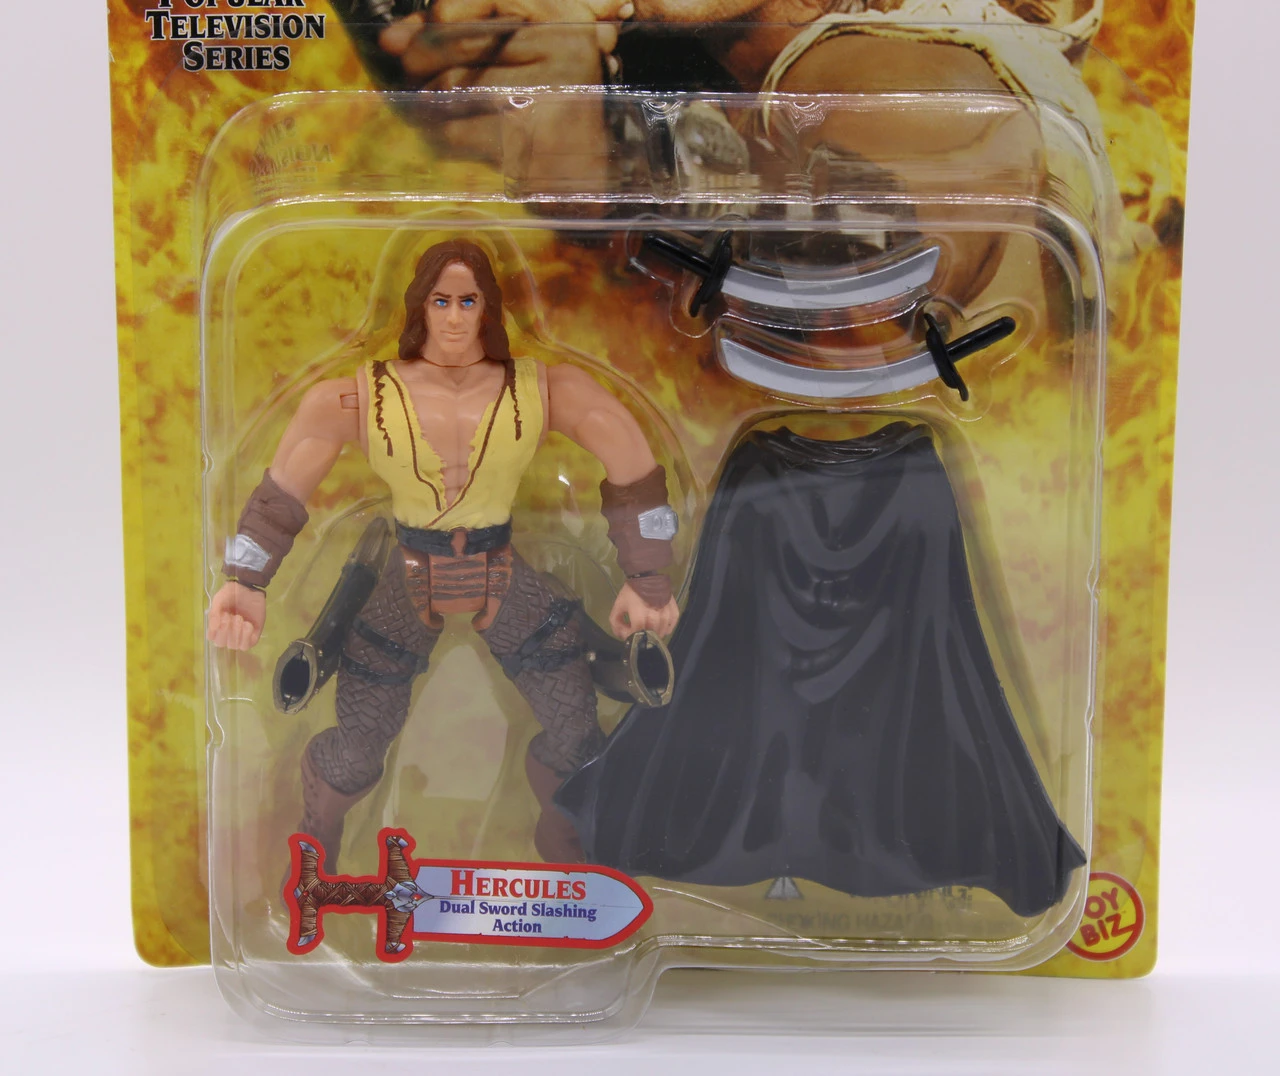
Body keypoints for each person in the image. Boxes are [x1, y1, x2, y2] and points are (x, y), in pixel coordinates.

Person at [208, 238, 680, 869]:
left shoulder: (541, 388)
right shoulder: (359, 395)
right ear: (419, 305)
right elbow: (281, 492)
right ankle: (318, 833)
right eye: (441, 301)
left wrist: (648, 576)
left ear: (487, 306)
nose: (454, 317)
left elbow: (632, 461)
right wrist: (245, 579)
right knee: (359, 742)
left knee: (576, 729)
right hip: (409, 575)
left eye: (467, 301)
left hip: (499, 570)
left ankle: (566, 835)